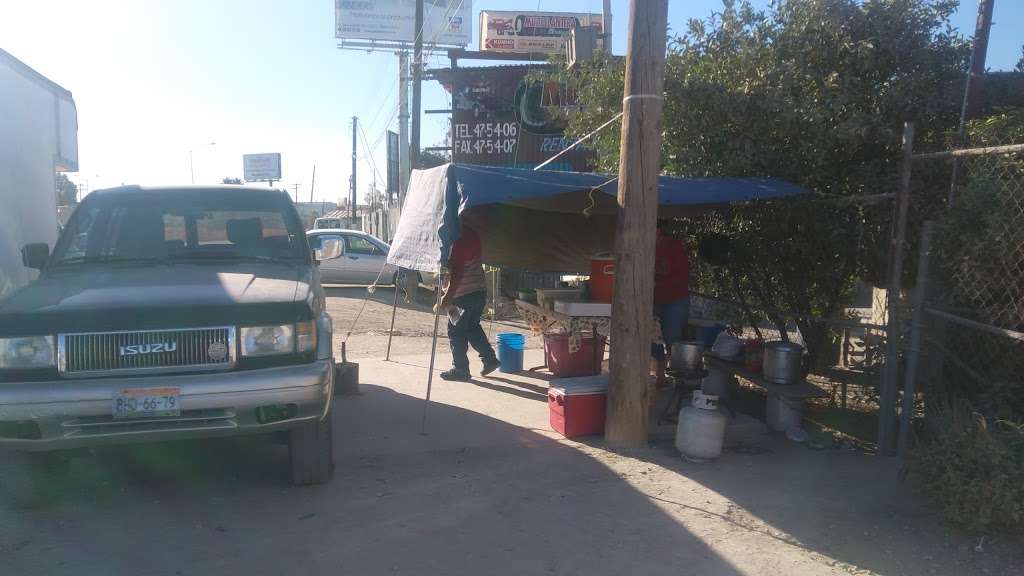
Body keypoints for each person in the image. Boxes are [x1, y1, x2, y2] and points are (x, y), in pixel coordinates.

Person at [439, 225, 501, 381]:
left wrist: (448, 295)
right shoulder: (471, 233)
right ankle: (490, 359)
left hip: (462, 295)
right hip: (478, 291)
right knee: (472, 328)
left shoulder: (460, 238)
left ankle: (460, 369)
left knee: (456, 332)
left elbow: (458, 270)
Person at [652, 220, 691, 386]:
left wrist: (657, 284)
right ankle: (660, 377)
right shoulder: (642, 245)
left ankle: (680, 379)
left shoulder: (674, 247)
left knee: (673, 338)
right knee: (652, 337)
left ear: (658, 231)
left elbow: (683, 276)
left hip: (675, 299)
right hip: (652, 299)